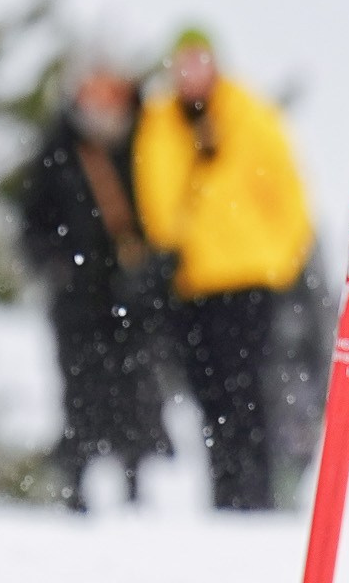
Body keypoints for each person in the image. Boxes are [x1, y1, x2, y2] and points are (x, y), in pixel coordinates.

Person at [133, 28, 313, 511]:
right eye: (182, 64)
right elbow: (157, 198)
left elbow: (289, 196)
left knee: (249, 391)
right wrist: (171, 244)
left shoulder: (250, 116)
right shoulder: (161, 124)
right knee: (209, 394)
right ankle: (227, 494)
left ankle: (256, 497)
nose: (191, 74)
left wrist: (280, 260)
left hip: (249, 278)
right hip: (193, 284)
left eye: (199, 62)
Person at [21, 64, 170, 510]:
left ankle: (134, 480)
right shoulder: (58, 150)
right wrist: (60, 264)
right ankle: (76, 482)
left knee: (136, 385)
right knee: (79, 387)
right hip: (77, 298)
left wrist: (150, 267)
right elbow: (33, 222)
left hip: (132, 292)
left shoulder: (147, 145)